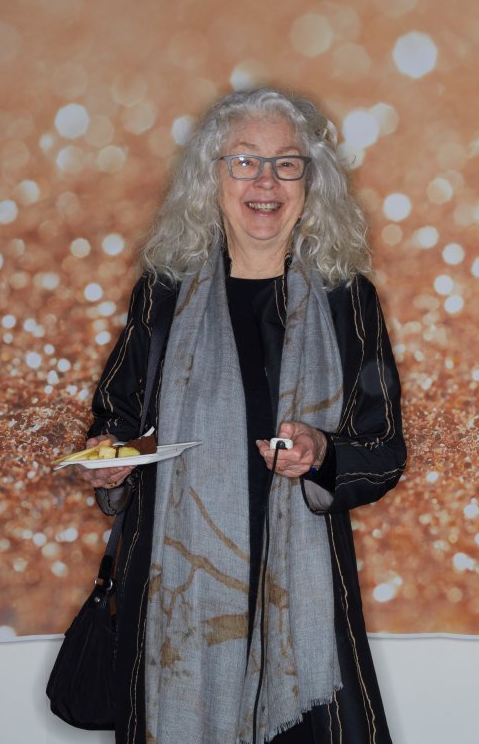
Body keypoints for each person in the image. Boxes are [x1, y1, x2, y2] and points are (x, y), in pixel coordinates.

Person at [79, 87, 406, 744]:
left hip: (304, 601)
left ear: (311, 182)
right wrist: (109, 460)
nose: (265, 182)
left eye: (286, 163)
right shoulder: (163, 295)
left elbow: (383, 448)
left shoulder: (347, 299)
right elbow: (116, 418)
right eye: (244, 161)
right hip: (179, 598)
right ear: (212, 177)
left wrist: (323, 451)